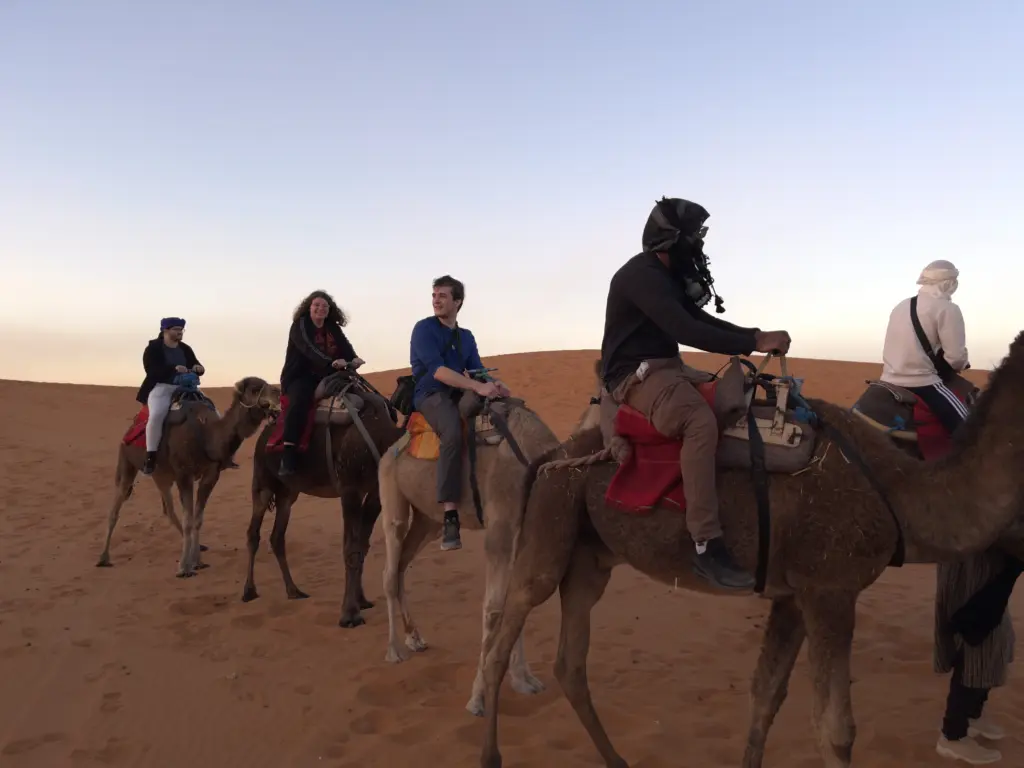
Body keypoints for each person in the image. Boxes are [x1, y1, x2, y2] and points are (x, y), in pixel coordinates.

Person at [599, 197, 791, 591]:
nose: (699, 245)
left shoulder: (665, 277)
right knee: (698, 421)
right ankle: (706, 544)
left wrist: (753, 337)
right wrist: (754, 339)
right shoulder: (642, 276)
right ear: (672, 240)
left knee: (736, 394)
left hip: (668, 364)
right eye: (694, 237)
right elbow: (686, 329)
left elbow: (700, 319)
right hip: (633, 375)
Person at [409, 274, 510, 551]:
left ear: (458, 302)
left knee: (508, 412)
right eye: (434, 295)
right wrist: (476, 385)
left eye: (442, 296)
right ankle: (450, 513)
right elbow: (439, 372)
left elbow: (477, 368)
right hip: (431, 394)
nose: (436, 300)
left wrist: (494, 384)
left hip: (461, 392)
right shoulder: (424, 329)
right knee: (453, 432)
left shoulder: (465, 336)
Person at [933, 550, 1016, 763]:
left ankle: (973, 714)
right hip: (968, 565)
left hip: (988, 567)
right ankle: (953, 735)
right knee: (975, 651)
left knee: (997, 644)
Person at [277, 290, 364, 478]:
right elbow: (308, 348)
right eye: (317, 305)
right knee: (300, 399)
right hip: (300, 376)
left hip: (330, 375)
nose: (320, 309)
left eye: (324, 306)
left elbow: (345, 346)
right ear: (309, 307)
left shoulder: (332, 328)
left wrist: (353, 358)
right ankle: (289, 453)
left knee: (363, 393)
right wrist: (330, 362)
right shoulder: (300, 326)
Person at [880, 260, 970, 437]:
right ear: (948, 283)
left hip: (887, 379)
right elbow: (956, 358)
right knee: (971, 431)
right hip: (922, 382)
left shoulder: (901, 305)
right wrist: (962, 364)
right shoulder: (948, 309)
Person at [136, 317, 215, 475]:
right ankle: (151, 455)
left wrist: (198, 368)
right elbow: (151, 371)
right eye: (176, 329)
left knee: (211, 409)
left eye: (181, 330)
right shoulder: (154, 348)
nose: (180, 332)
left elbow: (195, 363)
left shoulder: (185, 348)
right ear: (165, 330)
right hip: (161, 387)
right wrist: (173, 368)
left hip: (186, 387)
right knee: (157, 415)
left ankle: (217, 451)